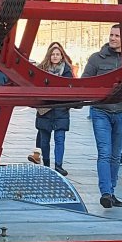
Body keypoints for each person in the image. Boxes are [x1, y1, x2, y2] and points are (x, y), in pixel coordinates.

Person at [83, 25, 122, 207]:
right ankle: (106, 192)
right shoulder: (97, 58)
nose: (113, 38)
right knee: (105, 152)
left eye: (117, 35)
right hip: (101, 111)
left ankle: (112, 191)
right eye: (111, 35)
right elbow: (86, 80)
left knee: (116, 155)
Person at [34, 42, 72, 173]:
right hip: (45, 110)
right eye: (53, 54)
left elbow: (71, 89)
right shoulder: (42, 69)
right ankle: (46, 164)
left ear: (62, 56)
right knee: (45, 141)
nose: (55, 57)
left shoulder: (67, 71)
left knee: (60, 139)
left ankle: (58, 165)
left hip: (61, 110)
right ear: (48, 56)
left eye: (58, 54)